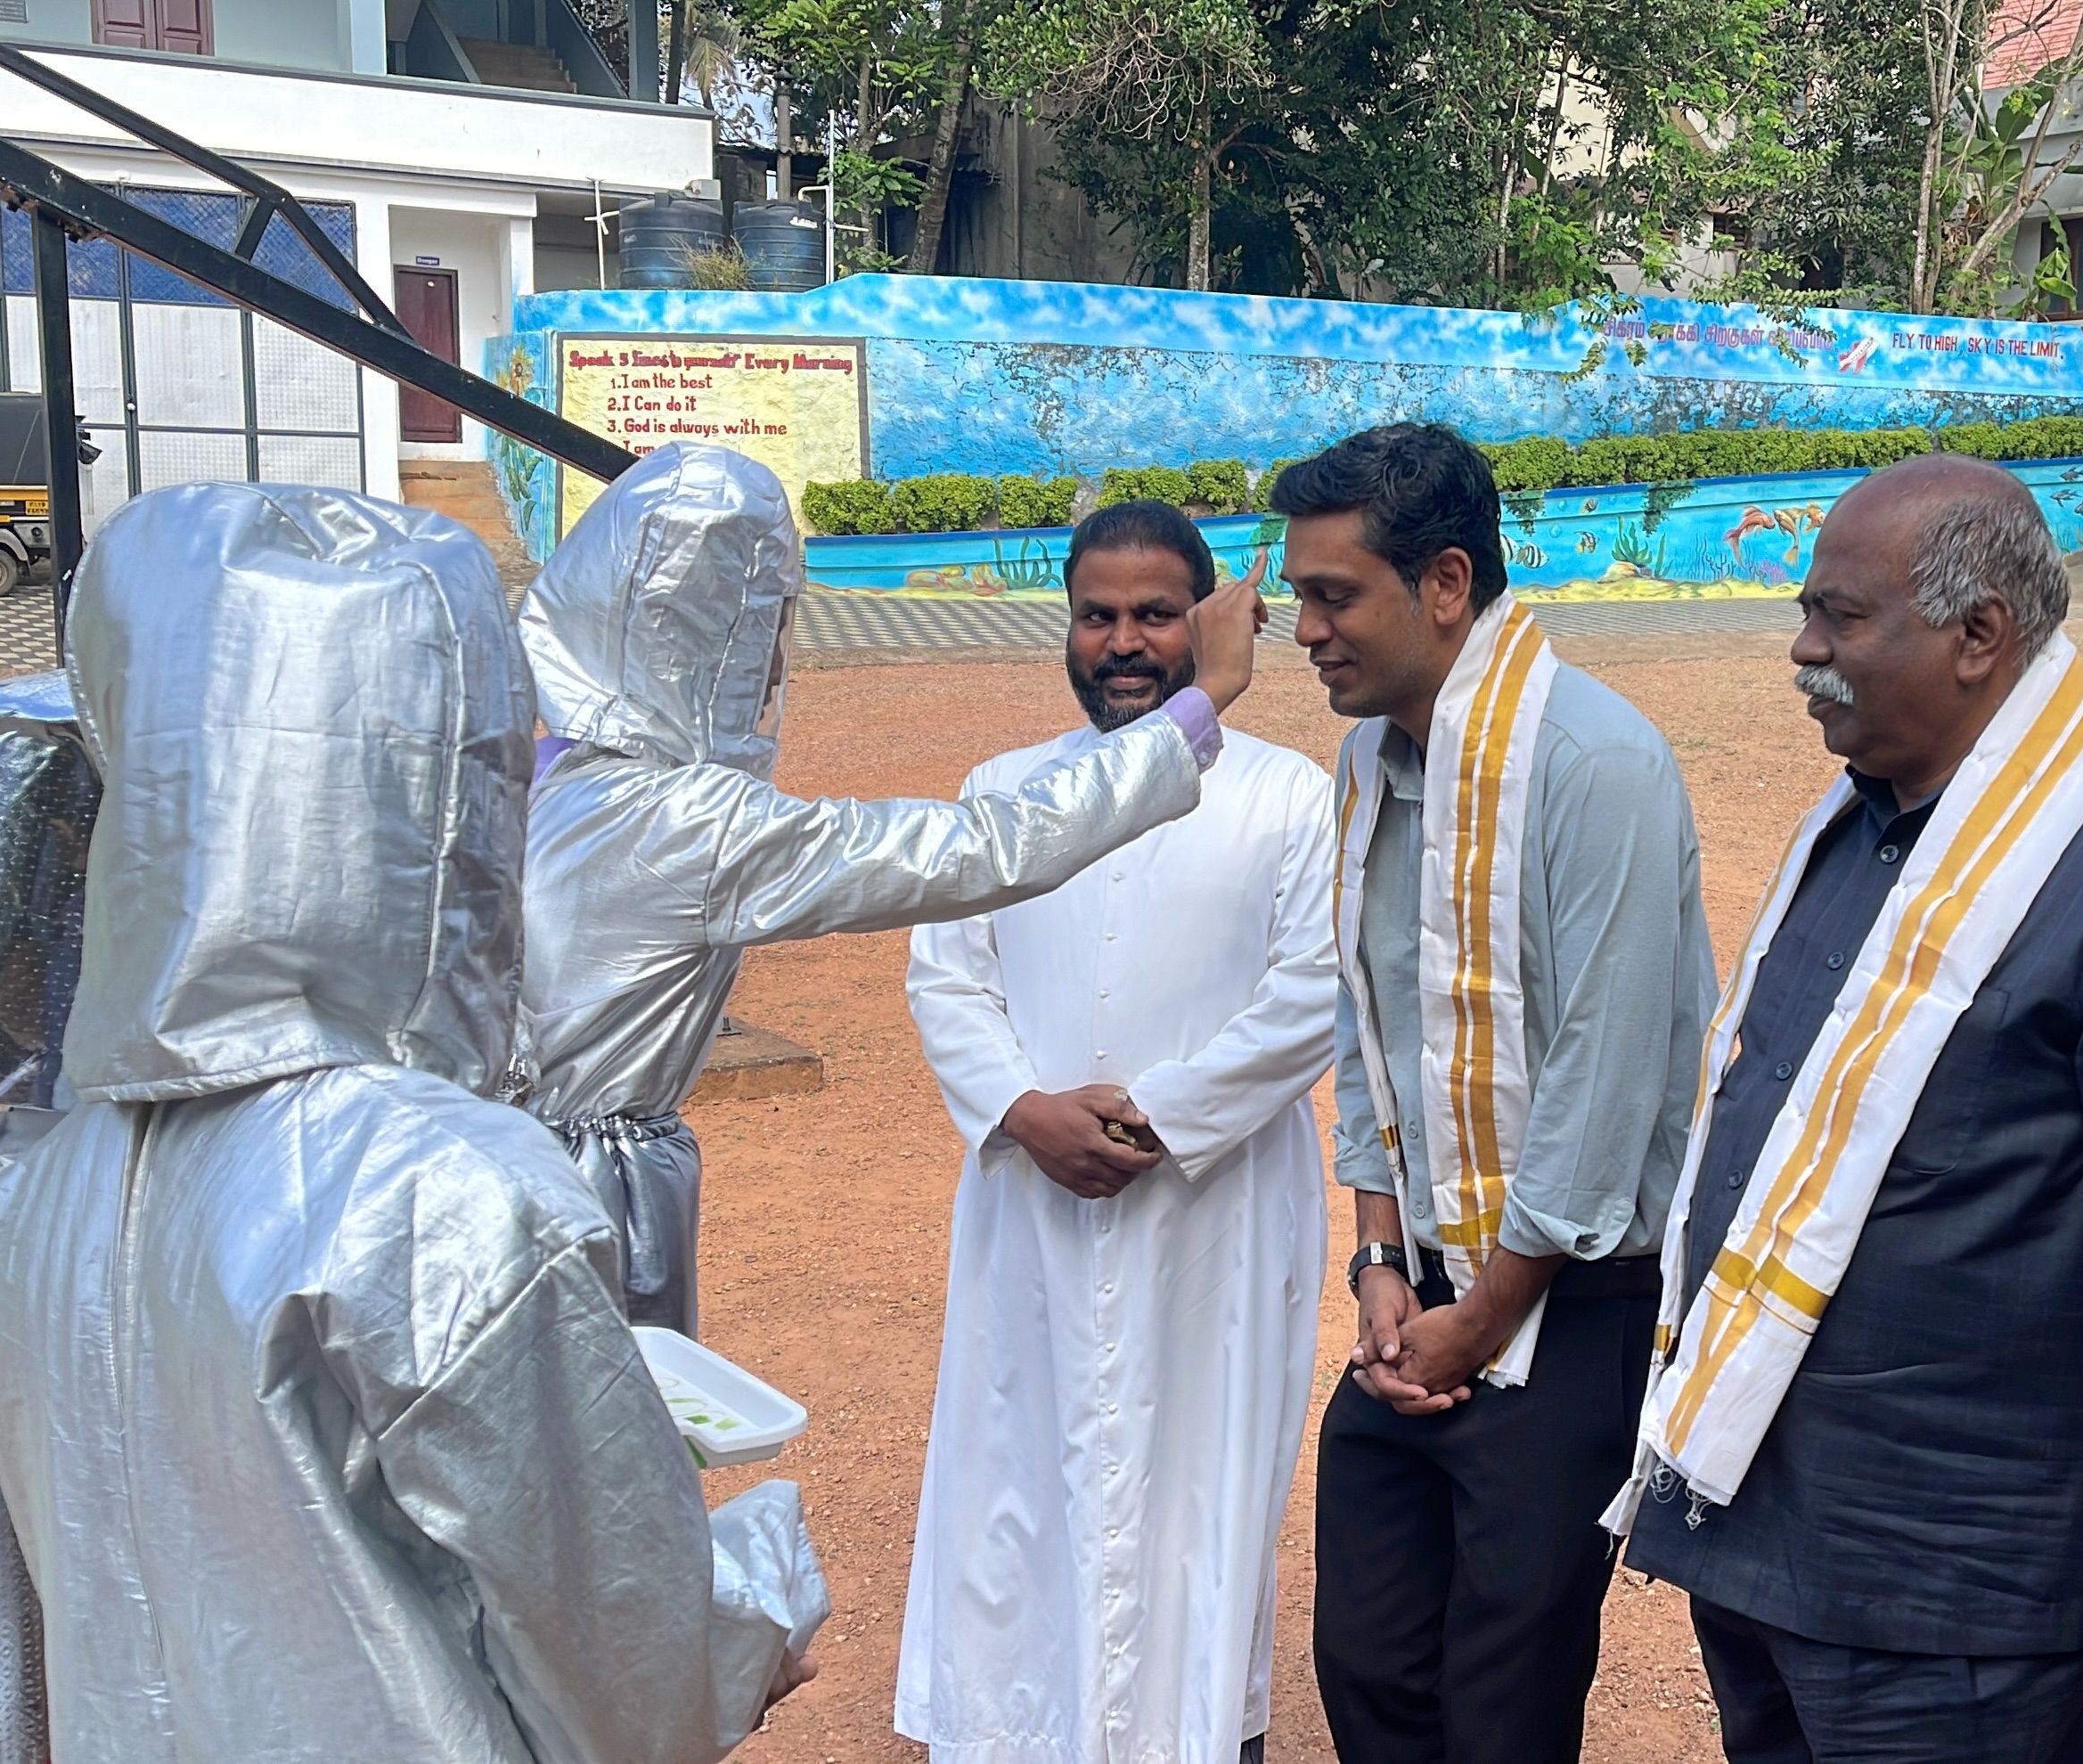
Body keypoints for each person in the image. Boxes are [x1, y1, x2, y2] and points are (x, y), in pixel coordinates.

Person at [0, 483, 825, 1763]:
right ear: (448, 786)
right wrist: (761, 1597)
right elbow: (630, 1661)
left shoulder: (53, 1184)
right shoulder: (441, 1192)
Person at [1613, 453, 2083, 1764]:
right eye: (1806, 615)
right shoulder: (1859, 834)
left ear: (1979, 634)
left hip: (1959, 1609)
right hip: (1766, 1549)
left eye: (1840, 618)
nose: (1804, 651)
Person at [512, 442, 1264, 1336]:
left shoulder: (542, 777)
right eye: (760, 636)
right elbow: (987, 847)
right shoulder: (682, 821)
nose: (777, 668)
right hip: (587, 1200)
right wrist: (1203, 700)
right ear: (708, 645)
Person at [1285, 422, 1718, 1764]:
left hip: (1569, 1300)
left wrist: (1485, 1318)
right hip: (1418, 1297)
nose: (1306, 631)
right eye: (1300, 595)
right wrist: (1378, 1263)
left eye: (1334, 595)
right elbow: (1371, 1025)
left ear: (1447, 583)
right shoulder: (1370, 764)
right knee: (1367, 1664)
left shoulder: (1595, 765)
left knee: (1503, 1705)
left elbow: (1605, 1073)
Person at [896, 501, 1337, 1764]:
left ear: (1209, 618)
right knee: (1016, 1475)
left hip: (1213, 1214)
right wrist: (1023, 1111)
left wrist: (1160, 1119)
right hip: (1029, 1203)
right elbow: (947, 977)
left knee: (1198, 1487)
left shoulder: (1289, 797)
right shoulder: (1003, 794)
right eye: (1098, 616)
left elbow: (1314, 991)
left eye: (1155, 614)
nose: (1125, 642)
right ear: (1068, 625)